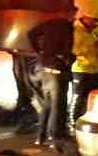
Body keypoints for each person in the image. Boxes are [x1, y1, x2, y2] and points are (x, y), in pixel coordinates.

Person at [27, 13, 74, 148]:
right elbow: (68, 48)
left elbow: (30, 34)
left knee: (47, 104)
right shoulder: (67, 27)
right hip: (57, 70)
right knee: (58, 106)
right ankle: (54, 137)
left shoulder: (48, 24)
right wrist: (67, 58)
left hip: (44, 68)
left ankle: (40, 136)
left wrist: (40, 51)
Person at [68, 11, 98, 126]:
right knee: (77, 98)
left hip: (93, 70)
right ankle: (72, 123)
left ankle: (87, 120)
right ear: (85, 18)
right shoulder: (77, 31)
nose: (95, 24)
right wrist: (93, 47)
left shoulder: (89, 32)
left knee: (91, 98)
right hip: (81, 70)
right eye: (93, 20)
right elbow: (75, 50)